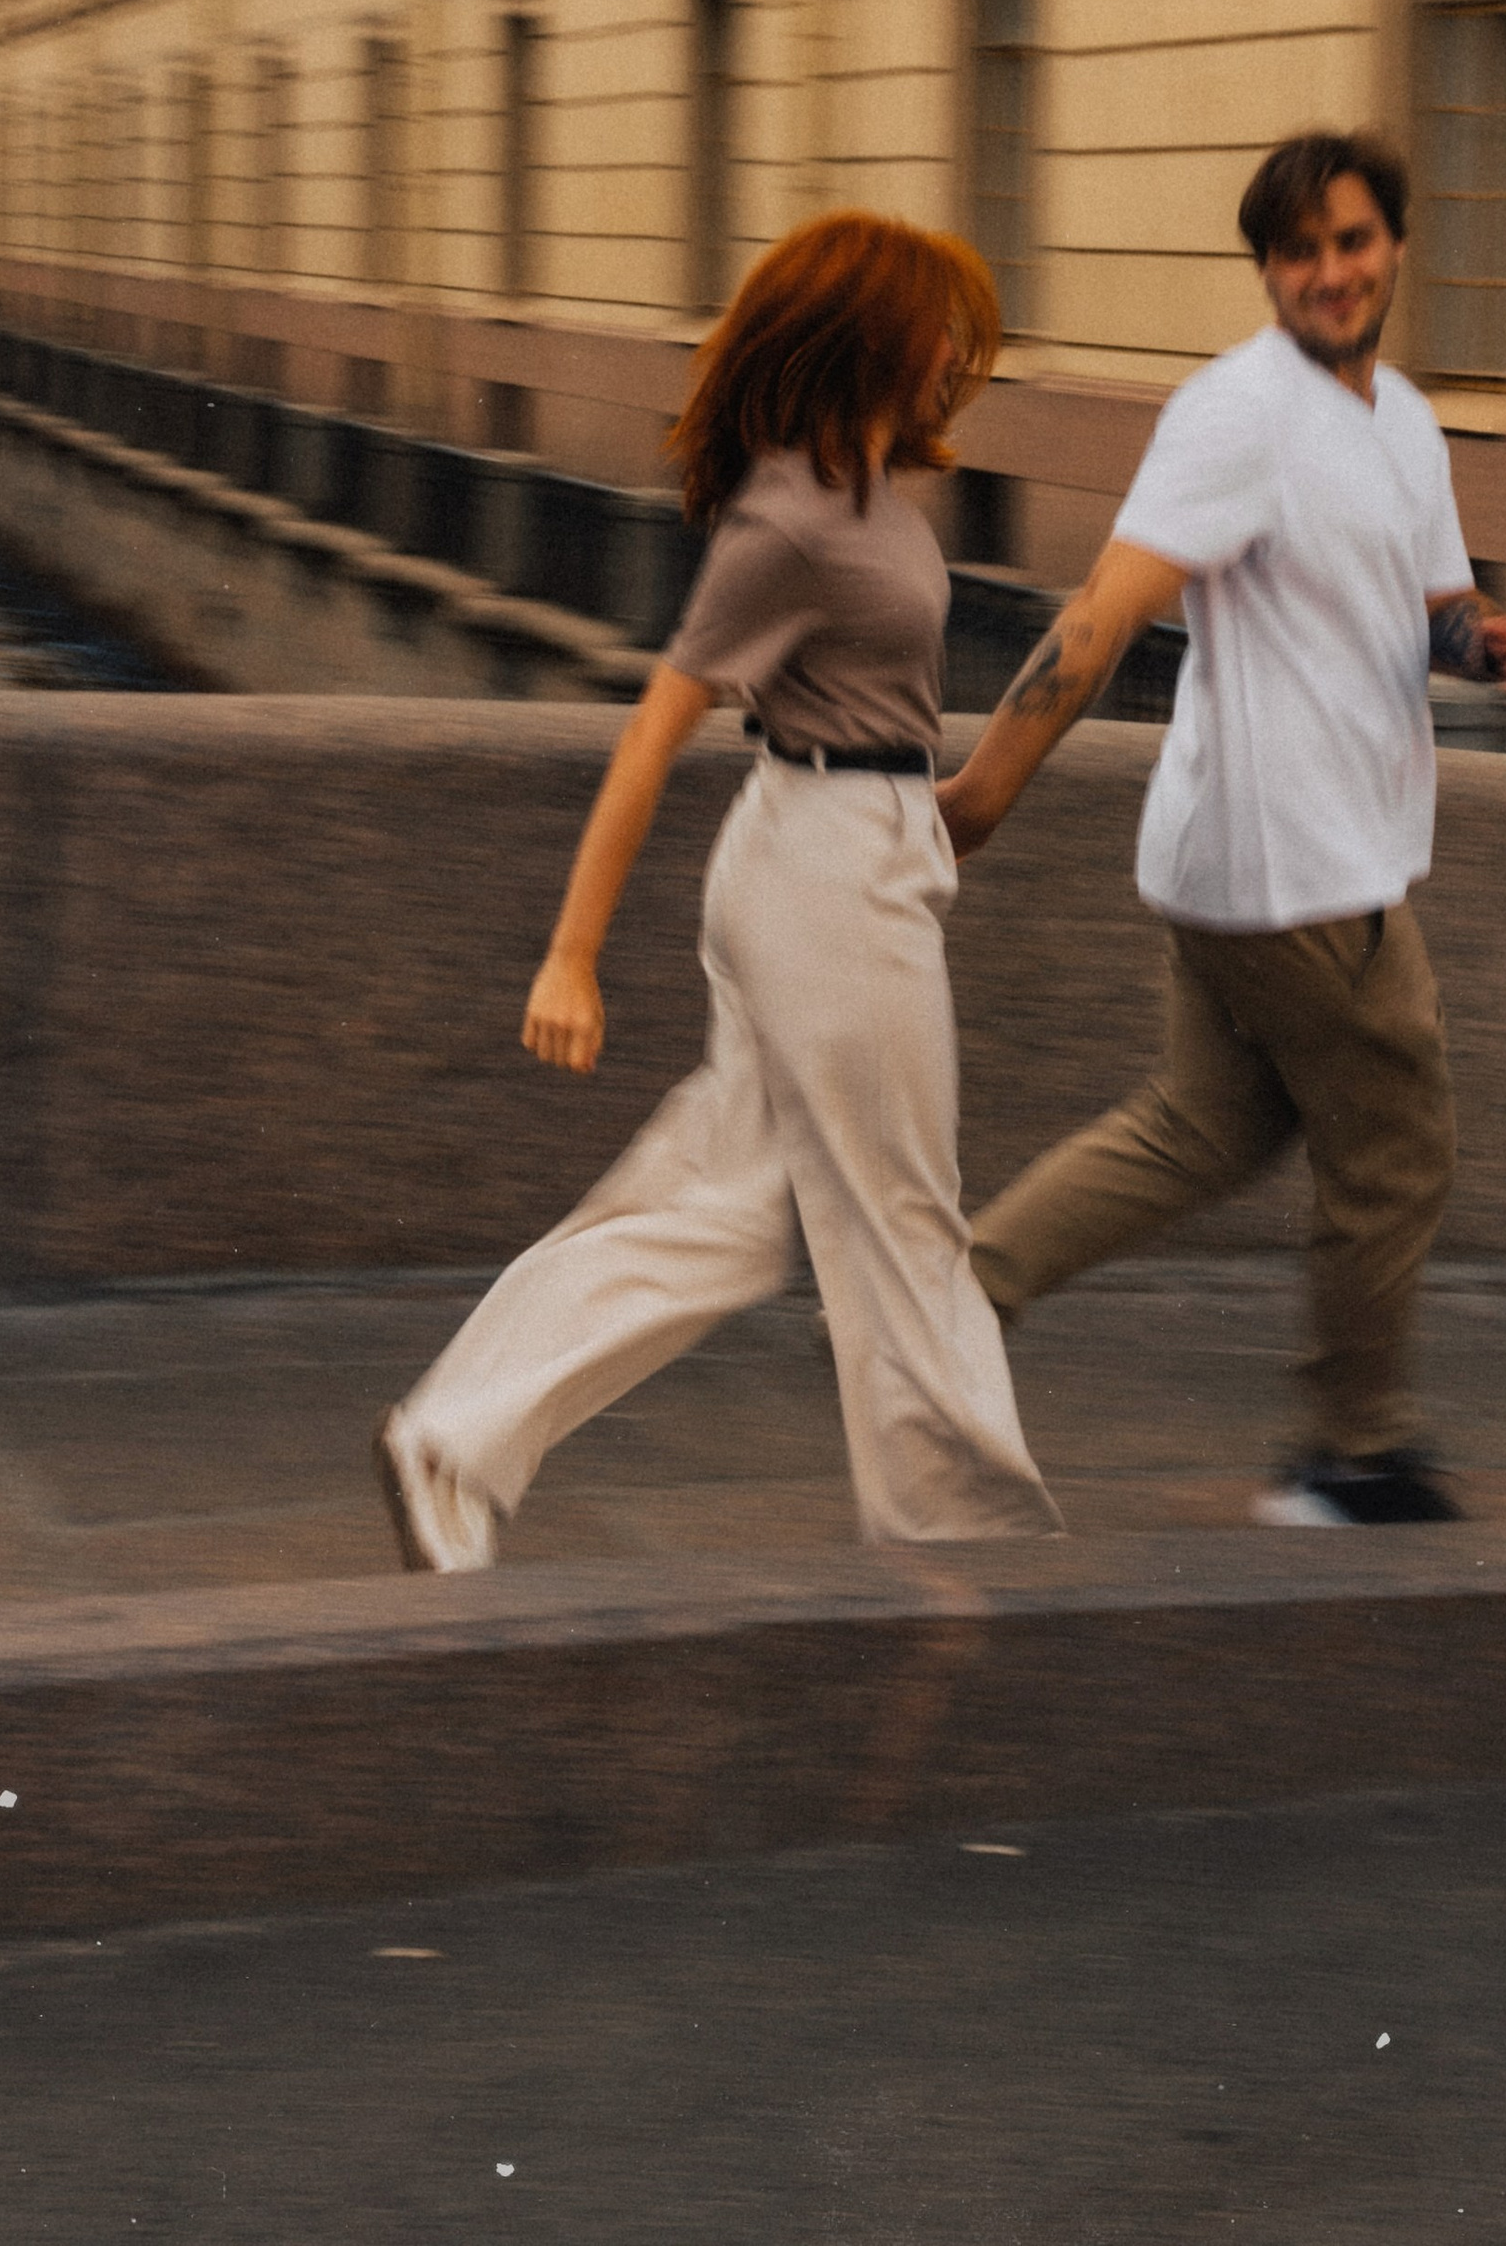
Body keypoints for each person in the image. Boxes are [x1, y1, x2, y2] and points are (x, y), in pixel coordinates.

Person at [376, 211, 1062, 1571]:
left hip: (846, 847)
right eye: (941, 332)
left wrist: (923, 812)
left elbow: (871, 702)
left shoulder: (864, 496)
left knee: (732, 1214)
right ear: (870, 334)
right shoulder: (789, 518)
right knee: (904, 1221)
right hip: (826, 871)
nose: (957, 358)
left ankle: (452, 1439)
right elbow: (653, 733)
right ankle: (970, 1539)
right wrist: (570, 955)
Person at [936, 129, 1506, 1529]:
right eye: (1298, 251)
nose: (1329, 272)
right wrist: (980, 794)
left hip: (1248, 856)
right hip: (1300, 864)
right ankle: (1354, 1451)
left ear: (1395, 247)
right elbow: (1102, 616)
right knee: (1396, 1148)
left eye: (1352, 241)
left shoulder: (1404, 419)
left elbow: (1426, 608)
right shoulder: (1237, 413)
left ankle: (947, 1303)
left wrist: (1487, 640)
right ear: (1268, 271)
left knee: (1203, 1127)